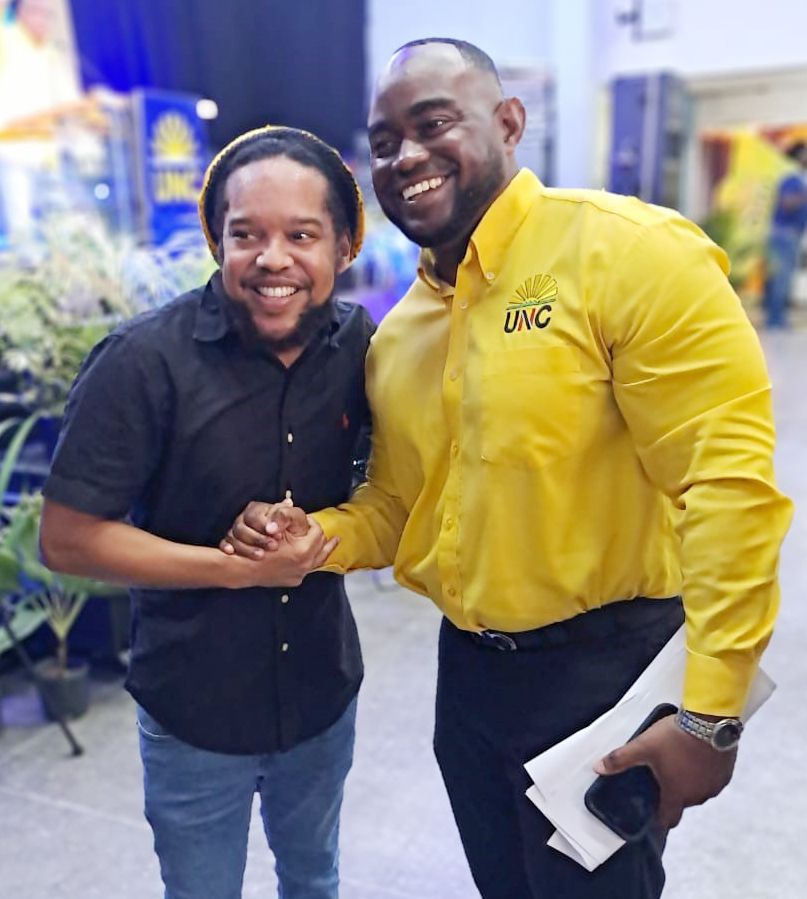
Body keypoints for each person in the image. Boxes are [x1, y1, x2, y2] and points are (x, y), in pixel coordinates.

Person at [223, 39, 793, 899]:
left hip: (607, 675)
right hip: (471, 683)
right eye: (383, 142)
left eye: (433, 123)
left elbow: (727, 489)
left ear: (509, 122)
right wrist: (313, 537)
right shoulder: (403, 332)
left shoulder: (629, 253)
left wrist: (710, 712)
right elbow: (398, 506)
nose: (405, 156)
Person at [39, 125, 375, 899]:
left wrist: (316, 529)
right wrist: (235, 569)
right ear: (217, 240)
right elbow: (67, 538)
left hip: (320, 691)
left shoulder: (360, 346)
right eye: (246, 234)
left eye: (301, 235)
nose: (272, 258)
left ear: (344, 246)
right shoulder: (143, 361)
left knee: (314, 877)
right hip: (196, 706)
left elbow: (390, 487)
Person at [762, 139, 807, 328]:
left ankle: (777, 318)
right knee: (781, 278)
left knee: (784, 278)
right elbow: (787, 202)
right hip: (784, 235)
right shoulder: (791, 177)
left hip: (791, 235)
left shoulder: (798, 177)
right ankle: (775, 320)